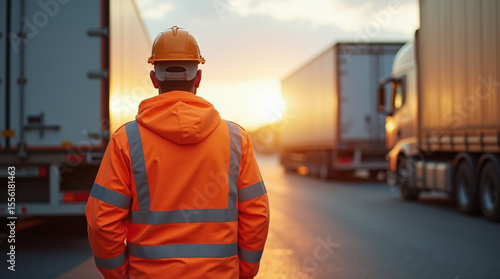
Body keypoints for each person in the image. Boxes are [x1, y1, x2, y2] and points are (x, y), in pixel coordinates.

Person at [86, 26, 270, 279]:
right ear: (198, 78)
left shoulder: (126, 140)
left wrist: (118, 274)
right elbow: (257, 214)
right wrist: (244, 272)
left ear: (153, 79)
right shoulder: (236, 139)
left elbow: (102, 222)